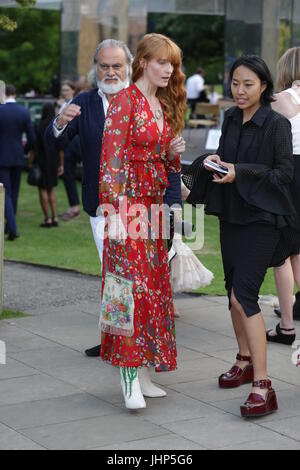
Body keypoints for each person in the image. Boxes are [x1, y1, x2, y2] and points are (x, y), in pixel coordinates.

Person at [183, 56, 296, 418]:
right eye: (235, 83)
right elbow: (228, 158)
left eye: (248, 83)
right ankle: (244, 359)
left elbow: (283, 176)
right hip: (231, 216)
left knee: (242, 295)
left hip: (262, 220)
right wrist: (215, 161)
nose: (240, 90)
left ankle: (264, 385)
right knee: (232, 297)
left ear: (264, 86)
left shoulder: (277, 124)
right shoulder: (230, 118)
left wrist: (239, 172)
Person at [99, 33, 186, 410]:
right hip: (127, 207)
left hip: (151, 208)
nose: (168, 69)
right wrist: (113, 212)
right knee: (127, 288)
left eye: (172, 64)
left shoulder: (159, 104)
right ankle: (128, 371)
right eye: (161, 62)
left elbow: (165, 165)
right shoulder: (124, 101)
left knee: (151, 287)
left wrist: (169, 152)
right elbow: (111, 159)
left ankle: (144, 371)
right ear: (143, 62)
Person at [44, 39, 134, 357]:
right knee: (111, 274)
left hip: (140, 206)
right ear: (96, 69)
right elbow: (53, 142)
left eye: (117, 66)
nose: (110, 72)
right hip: (101, 205)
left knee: (136, 276)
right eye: (104, 66)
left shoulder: (143, 101)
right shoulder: (84, 102)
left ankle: (137, 341)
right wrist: (60, 122)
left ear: (128, 68)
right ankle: (114, 340)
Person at [267, 48, 300, 345]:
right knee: (298, 251)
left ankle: (287, 325)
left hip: (290, 175)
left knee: (282, 253)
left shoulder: (281, 100)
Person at [0, 84, 35, 241]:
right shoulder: (24, 112)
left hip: (2, 157)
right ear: (15, 94)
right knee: (14, 192)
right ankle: (9, 225)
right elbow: (31, 138)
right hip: (18, 156)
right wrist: (25, 150)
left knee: (5, 192)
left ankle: (12, 227)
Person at [30, 103, 63, 227]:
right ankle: (55, 217)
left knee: (42, 189)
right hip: (53, 160)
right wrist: (61, 164)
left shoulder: (38, 126)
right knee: (51, 189)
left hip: (41, 160)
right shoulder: (55, 126)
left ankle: (47, 218)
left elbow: (34, 146)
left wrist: (29, 162)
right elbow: (60, 148)